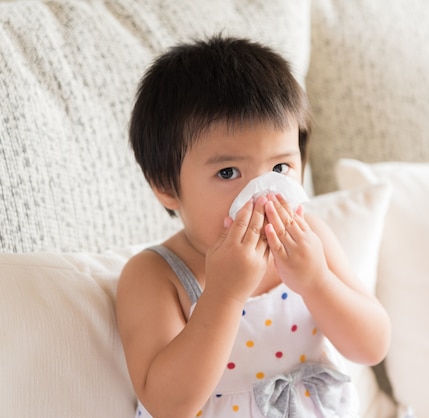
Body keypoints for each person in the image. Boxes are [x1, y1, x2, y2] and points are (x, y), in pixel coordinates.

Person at [116, 35, 391, 418]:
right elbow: (167, 404)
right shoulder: (156, 274)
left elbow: (372, 345)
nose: (260, 195)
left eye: (280, 168)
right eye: (228, 172)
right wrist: (224, 295)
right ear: (166, 186)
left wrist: (316, 282)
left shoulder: (312, 239)